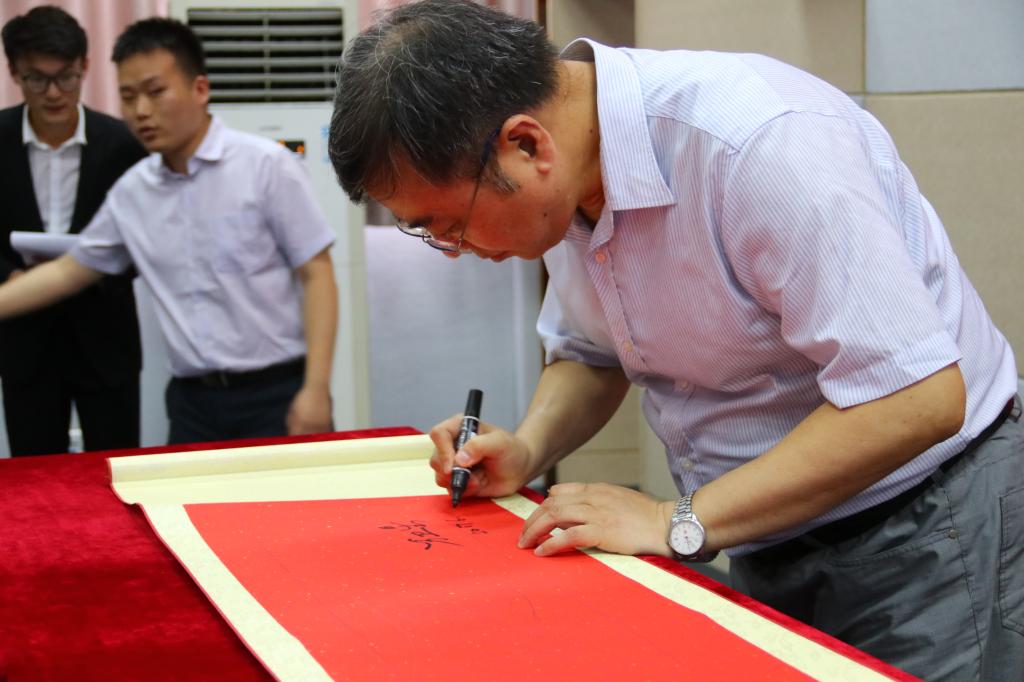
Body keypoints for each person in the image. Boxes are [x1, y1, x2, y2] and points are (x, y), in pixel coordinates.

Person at [326, 1, 1023, 679]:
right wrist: (528, 450)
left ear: (527, 144)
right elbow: (593, 354)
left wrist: (673, 520)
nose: (454, 250)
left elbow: (915, 397)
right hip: (761, 527)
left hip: (923, 524)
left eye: (449, 225)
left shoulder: (759, 144)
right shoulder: (564, 179)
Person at [0, 18, 338, 444]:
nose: (141, 111)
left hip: (275, 393)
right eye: (128, 97)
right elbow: (68, 271)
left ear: (200, 89)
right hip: (191, 403)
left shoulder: (265, 166)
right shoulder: (133, 191)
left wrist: (316, 388)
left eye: (155, 91)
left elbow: (317, 273)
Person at [0, 6, 146, 456]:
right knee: (34, 475)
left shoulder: (124, 143)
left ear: (85, 66)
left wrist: (94, 269)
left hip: (105, 338)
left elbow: (144, 239)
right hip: (24, 339)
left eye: (65, 77)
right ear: (14, 73)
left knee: (115, 468)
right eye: (36, 79)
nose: (53, 93)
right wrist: (10, 277)